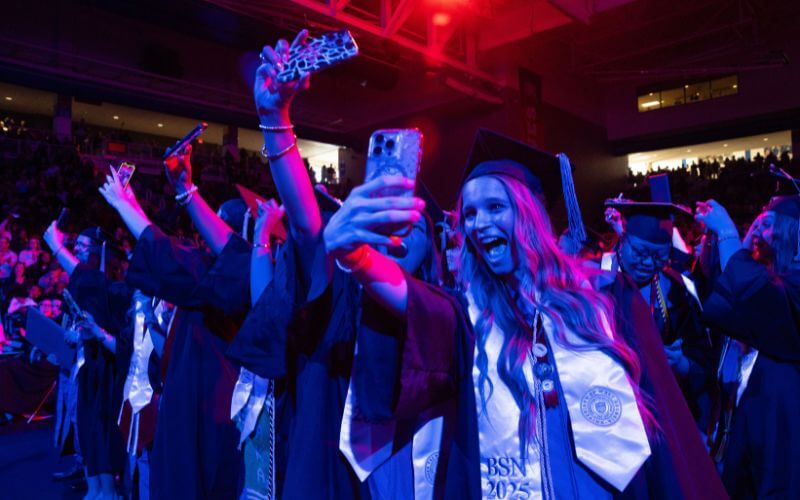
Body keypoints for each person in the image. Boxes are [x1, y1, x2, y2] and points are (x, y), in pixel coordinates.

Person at [341, 129, 657, 499]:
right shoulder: (466, 314)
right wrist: (358, 257)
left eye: (495, 207)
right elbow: (409, 300)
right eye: (470, 213)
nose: (478, 223)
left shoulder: (599, 299)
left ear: (528, 214)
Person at [98, 159, 258, 499]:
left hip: (210, 404)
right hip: (194, 398)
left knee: (197, 480)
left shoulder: (236, 278)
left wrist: (126, 206)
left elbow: (170, 257)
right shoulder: (224, 274)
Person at [697, 196, 800, 498]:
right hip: (754, 418)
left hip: (785, 420)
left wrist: (729, 232)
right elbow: (734, 294)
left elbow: (754, 295)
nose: (761, 233)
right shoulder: (776, 278)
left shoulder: (789, 286)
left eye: (769, 226)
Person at [602, 181, 716, 432]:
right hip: (605, 406)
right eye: (640, 252)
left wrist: (682, 364)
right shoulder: (593, 279)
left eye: (659, 257)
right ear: (623, 239)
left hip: (659, 409)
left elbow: (701, 354)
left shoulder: (676, 288)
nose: (647, 263)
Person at [42, 222, 131, 500]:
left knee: (102, 432)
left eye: (83, 246)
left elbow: (90, 284)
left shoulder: (114, 288)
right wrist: (73, 336)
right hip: (88, 367)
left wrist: (56, 246)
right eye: (76, 245)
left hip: (107, 372)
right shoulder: (93, 285)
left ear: (99, 250)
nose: (78, 250)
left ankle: (109, 491)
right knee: (88, 430)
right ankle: (94, 489)